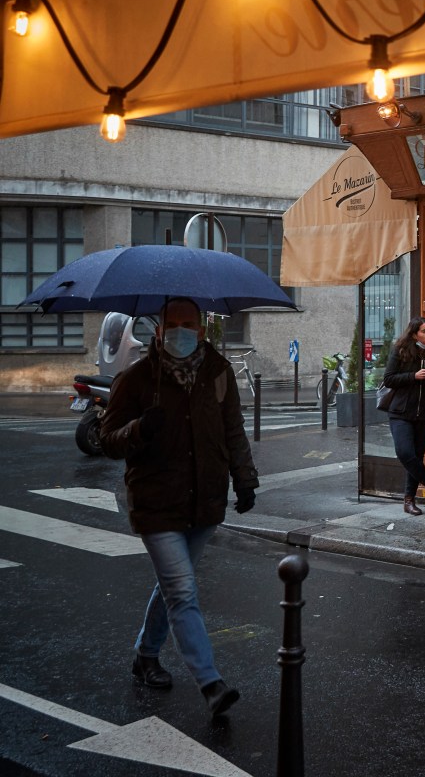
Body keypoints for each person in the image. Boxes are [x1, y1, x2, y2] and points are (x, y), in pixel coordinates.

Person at [99, 297, 256, 718]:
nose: (181, 331)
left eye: (189, 324)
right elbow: (107, 439)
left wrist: (245, 478)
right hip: (156, 502)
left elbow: (233, 430)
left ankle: (145, 654)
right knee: (183, 591)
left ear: (201, 330)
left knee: (171, 586)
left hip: (204, 501)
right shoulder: (136, 380)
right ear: (160, 328)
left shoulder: (219, 373)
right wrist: (139, 428)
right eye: (173, 323)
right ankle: (210, 682)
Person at [382, 316, 425, 515]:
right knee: (405, 453)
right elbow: (389, 379)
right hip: (401, 412)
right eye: (424, 331)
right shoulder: (401, 350)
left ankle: (409, 500)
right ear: (413, 334)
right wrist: (413, 376)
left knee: (416, 456)